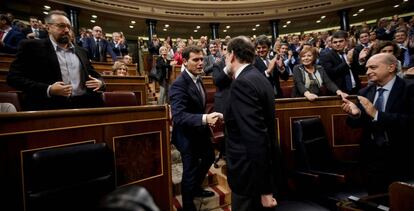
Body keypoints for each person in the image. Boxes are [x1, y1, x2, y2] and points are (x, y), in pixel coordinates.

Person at [341, 53, 414, 194]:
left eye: (373, 67)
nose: (368, 72)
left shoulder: (409, 88)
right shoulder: (364, 91)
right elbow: (354, 124)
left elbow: (410, 121)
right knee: (375, 198)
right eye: (367, 68)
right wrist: (356, 115)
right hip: (372, 156)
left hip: (402, 154)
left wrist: (377, 114)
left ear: (391, 67)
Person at [223, 36, 281, 210]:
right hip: (260, 170)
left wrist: (265, 189)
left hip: (249, 176)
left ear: (232, 55)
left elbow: (255, 136)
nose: (225, 58)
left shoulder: (242, 83)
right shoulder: (259, 77)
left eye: (226, 54)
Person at [7, 10, 105, 111]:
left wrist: (100, 83)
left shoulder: (82, 51)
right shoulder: (31, 47)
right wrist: (48, 89)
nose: (67, 30)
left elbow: (94, 75)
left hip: (85, 105)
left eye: (68, 26)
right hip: (50, 107)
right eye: (61, 26)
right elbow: (13, 78)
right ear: (48, 27)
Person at [169, 46, 223, 211]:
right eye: (196, 60)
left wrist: (207, 119)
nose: (201, 63)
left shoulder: (198, 78)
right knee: (189, 172)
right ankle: (187, 204)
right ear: (185, 61)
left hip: (200, 132)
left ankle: (196, 188)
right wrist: (204, 118)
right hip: (186, 136)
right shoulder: (179, 84)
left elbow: (199, 106)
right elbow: (178, 116)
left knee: (208, 159)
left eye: (202, 59)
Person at [319, 30, 362, 94]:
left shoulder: (351, 53)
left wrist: (361, 60)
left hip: (355, 88)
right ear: (331, 44)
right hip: (338, 91)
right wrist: (347, 63)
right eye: (335, 42)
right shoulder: (326, 56)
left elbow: (359, 70)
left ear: (346, 41)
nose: (338, 44)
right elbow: (331, 73)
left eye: (341, 41)